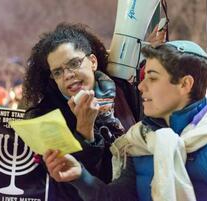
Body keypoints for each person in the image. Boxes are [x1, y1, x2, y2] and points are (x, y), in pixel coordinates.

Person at [43, 40, 207, 201]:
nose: (141, 86)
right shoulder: (139, 141)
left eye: (153, 78)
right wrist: (80, 176)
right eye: (143, 77)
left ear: (185, 84)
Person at [23, 22, 165, 201]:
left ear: (93, 62)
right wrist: (84, 129)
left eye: (74, 64)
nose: (67, 75)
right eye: (58, 72)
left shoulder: (125, 91)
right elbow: (71, 187)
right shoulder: (46, 117)